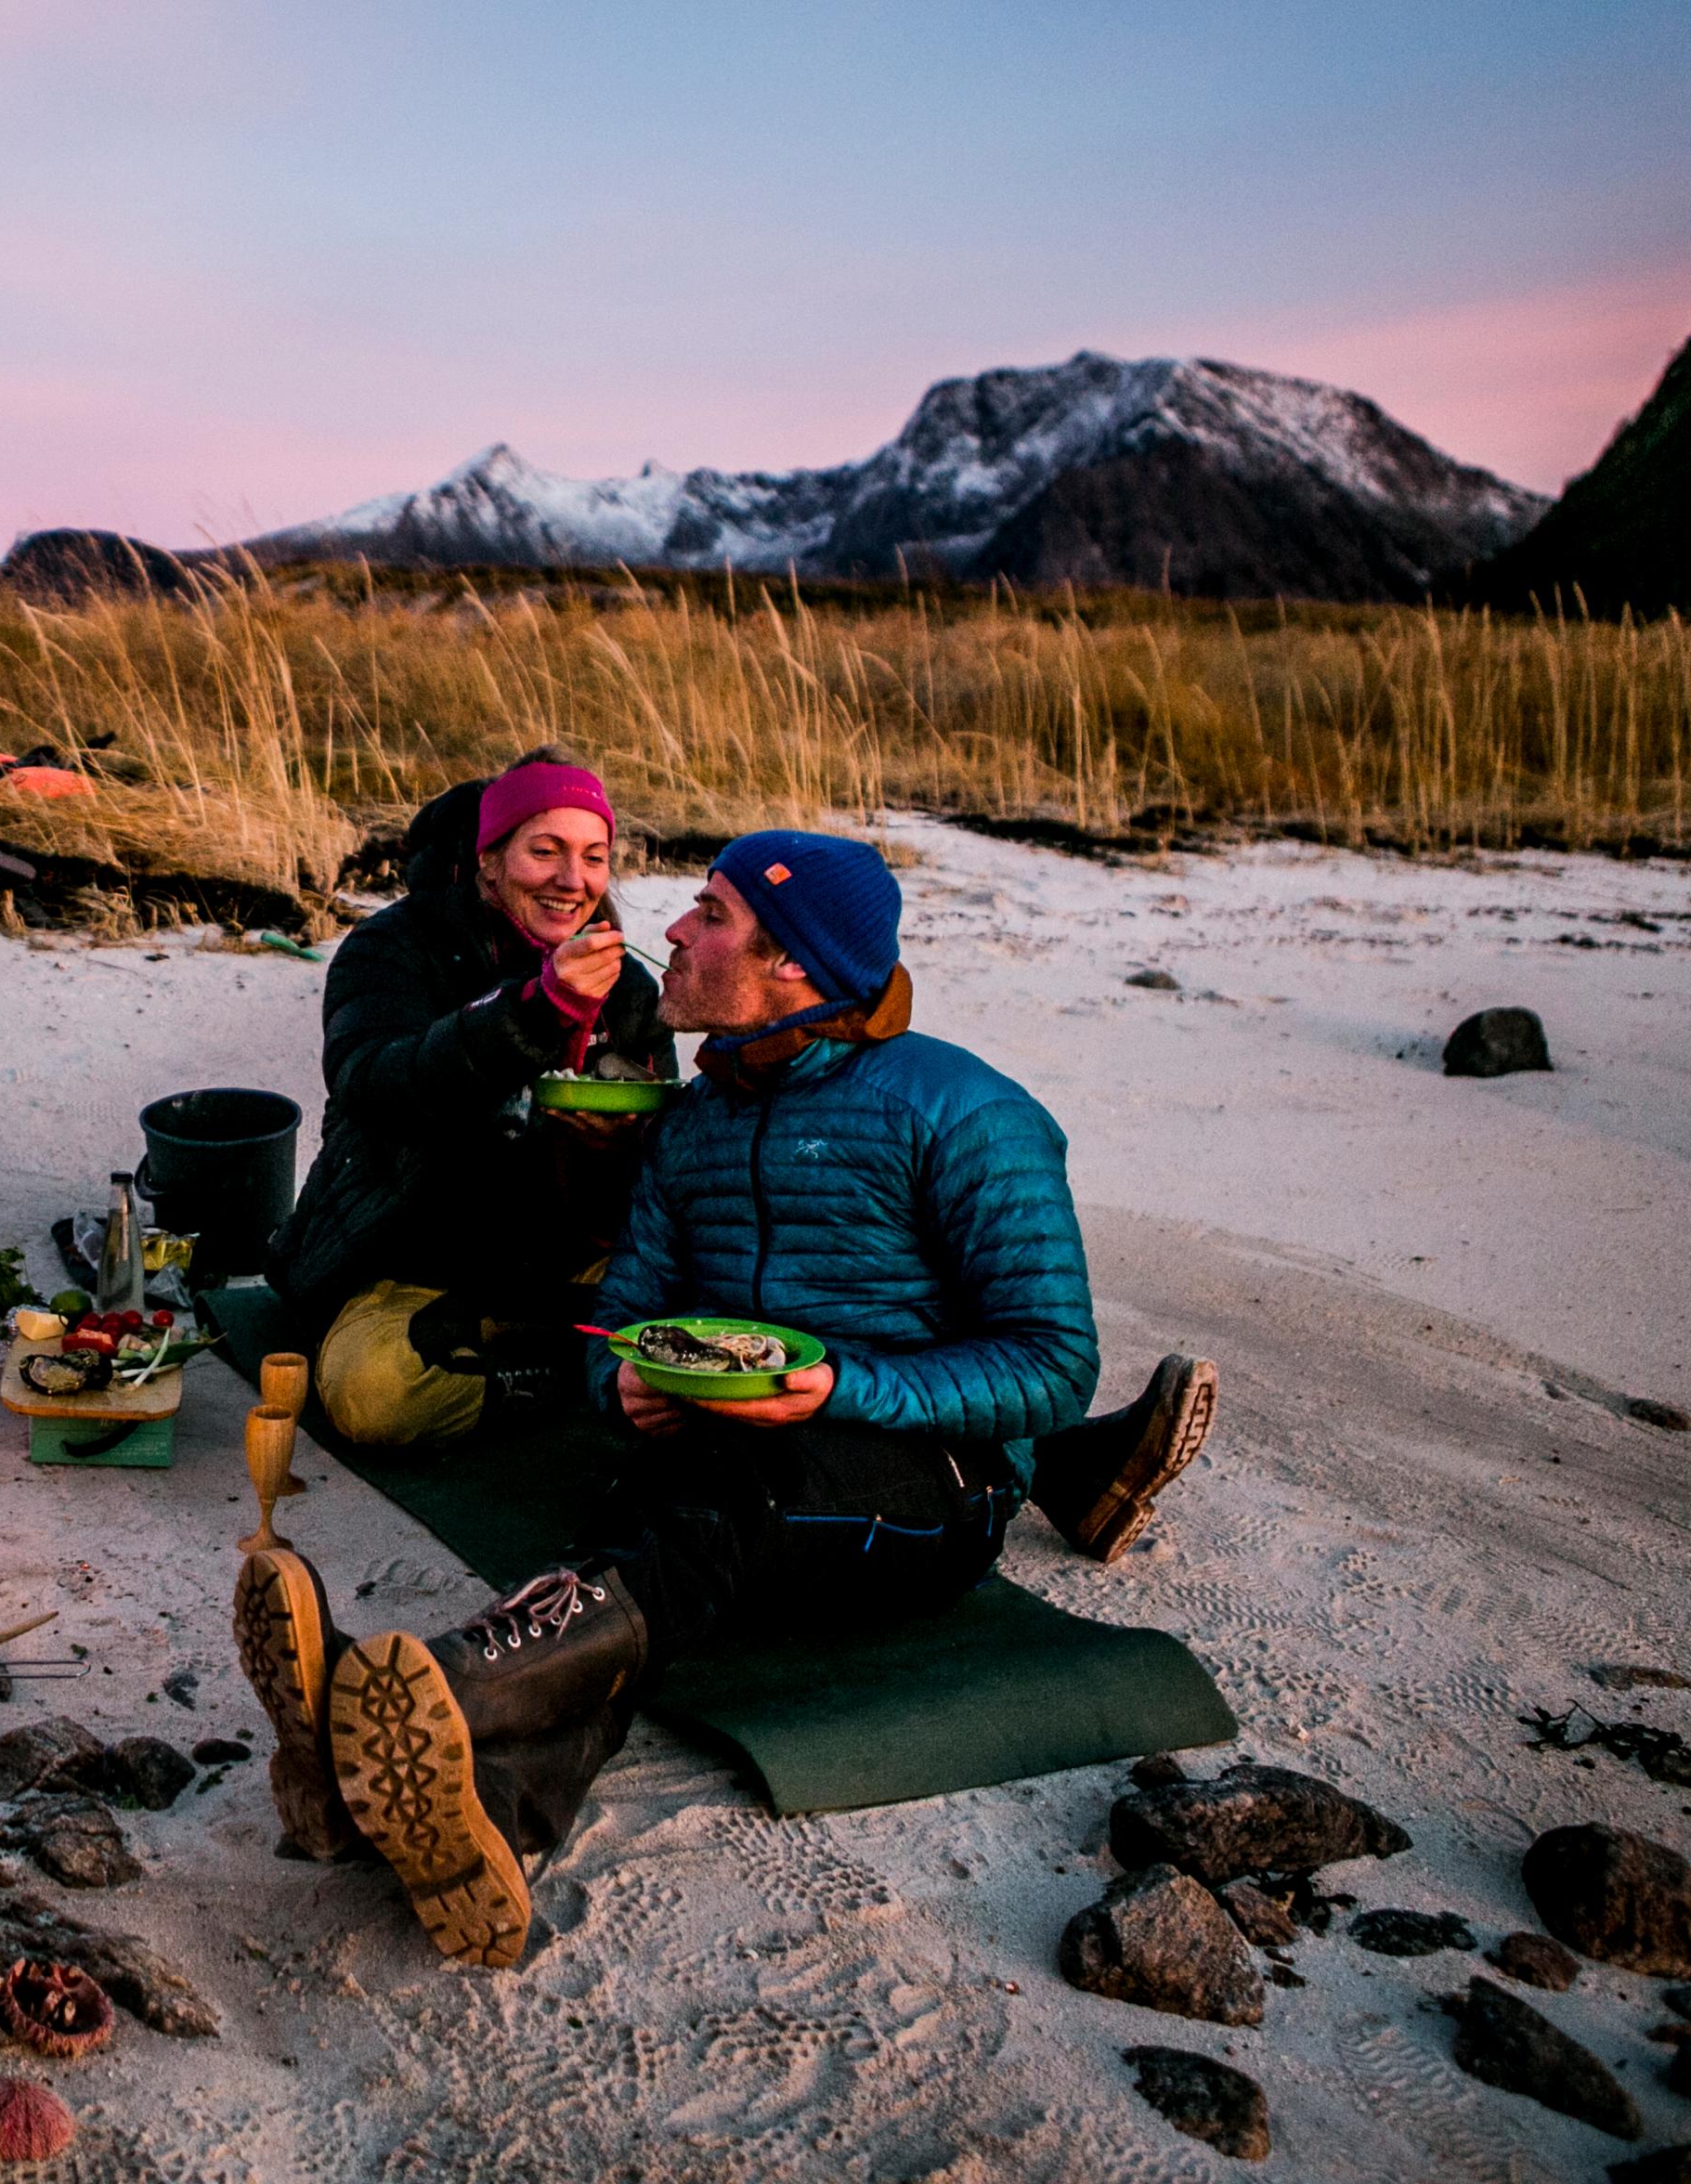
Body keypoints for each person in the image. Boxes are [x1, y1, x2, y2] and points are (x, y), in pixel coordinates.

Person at [236, 829, 1217, 1956]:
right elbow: (625, 1313)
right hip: (720, 1446)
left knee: (716, 1518)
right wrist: (628, 1389)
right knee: (634, 1530)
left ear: (791, 961)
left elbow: (1052, 1363)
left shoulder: (957, 1107)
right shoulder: (697, 1121)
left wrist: (840, 1382)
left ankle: (429, 1696)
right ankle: (480, 1816)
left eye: (710, 914)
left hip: (931, 1480)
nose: (671, 932)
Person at [263, 753, 677, 1452]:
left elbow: (663, 1145)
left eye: (594, 857)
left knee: (720, 1326)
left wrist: (616, 1143)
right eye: (544, 852)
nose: (572, 882)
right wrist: (539, 1011)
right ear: (489, 859)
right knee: (373, 1397)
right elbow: (373, 1082)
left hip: (567, 1258)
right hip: (418, 1258)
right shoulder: (392, 948)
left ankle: (552, 1362)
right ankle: (563, 1377)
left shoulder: (627, 982)